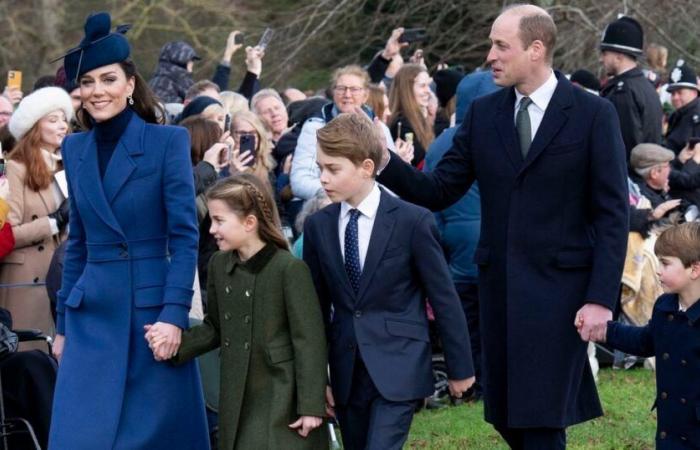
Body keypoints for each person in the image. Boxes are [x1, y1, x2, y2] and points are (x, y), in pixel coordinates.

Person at [376, 5, 629, 449]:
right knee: (507, 415)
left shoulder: (592, 114)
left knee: (543, 418)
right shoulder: (484, 114)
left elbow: (612, 214)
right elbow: (438, 190)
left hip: (563, 293)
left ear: (536, 49)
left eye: (500, 45)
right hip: (499, 290)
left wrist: (600, 299)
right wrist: (383, 161)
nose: (490, 55)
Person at [48, 12, 208, 449]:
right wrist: (62, 325)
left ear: (130, 84)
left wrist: (175, 315)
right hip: (90, 317)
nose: (98, 91)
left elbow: (184, 237)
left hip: (150, 316)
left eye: (108, 79)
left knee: (150, 438)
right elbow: (77, 242)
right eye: (89, 82)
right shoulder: (74, 146)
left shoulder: (167, 142)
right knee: (80, 437)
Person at [303, 113, 474, 450]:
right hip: (346, 371)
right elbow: (315, 309)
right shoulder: (318, 226)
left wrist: (460, 367)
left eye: (333, 169)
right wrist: (315, 381)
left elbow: (443, 298)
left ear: (367, 167)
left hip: (400, 364)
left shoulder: (412, 220)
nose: (323, 178)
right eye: (320, 167)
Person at [146, 174, 328, 450]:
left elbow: (309, 342)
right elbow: (215, 327)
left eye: (219, 221)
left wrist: (311, 405)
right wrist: (174, 343)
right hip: (237, 391)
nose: (211, 230)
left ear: (250, 222)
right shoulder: (220, 265)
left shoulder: (289, 269)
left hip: (280, 395)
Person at [585, 222, 700, 449]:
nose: (657, 270)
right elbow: (646, 341)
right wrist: (606, 329)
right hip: (672, 427)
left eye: (665, 263)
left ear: (694, 269)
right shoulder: (665, 306)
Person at [423, 70, 500, 404]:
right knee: (495, 321)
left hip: (455, 244)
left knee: (464, 320)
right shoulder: (498, 135)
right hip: (493, 243)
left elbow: (430, 195)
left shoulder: (441, 142)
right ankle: (493, 383)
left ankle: (469, 384)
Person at [0, 87, 72, 351]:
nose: (62, 125)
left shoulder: (68, 165)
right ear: (33, 127)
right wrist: (53, 222)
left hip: (61, 277)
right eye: (52, 120)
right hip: (27, 280)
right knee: (29, 360)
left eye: (64, 118)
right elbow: (9, 231)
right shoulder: (15, 167)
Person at [290, 65, 396, 201]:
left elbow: (390, 177)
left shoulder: (379, 129)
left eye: (354, 89)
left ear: (365, 95)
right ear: (333, 93)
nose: (347, 94)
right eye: (341, 88)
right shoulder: (315, 126)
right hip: (325, 202)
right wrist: (345, 194)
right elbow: (301, 180)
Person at [599, 16, 663, 162]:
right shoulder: (645, 86)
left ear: (618, 56)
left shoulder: (624, 92)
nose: (601, 59)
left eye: (605, 53)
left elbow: (624, 147)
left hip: (628, 178)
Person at [388, 64, 434, 167]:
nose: (428, 91)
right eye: (422, 86)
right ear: (407, 89)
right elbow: (419, 161)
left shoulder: (418, 119)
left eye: (428, 85)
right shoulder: (402, 124)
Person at [664, 60, 700, 154]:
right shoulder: (675, 116)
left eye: (680, 92)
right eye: (673, 93)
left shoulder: (697, 117)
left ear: (694, 92)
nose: (675, 97)